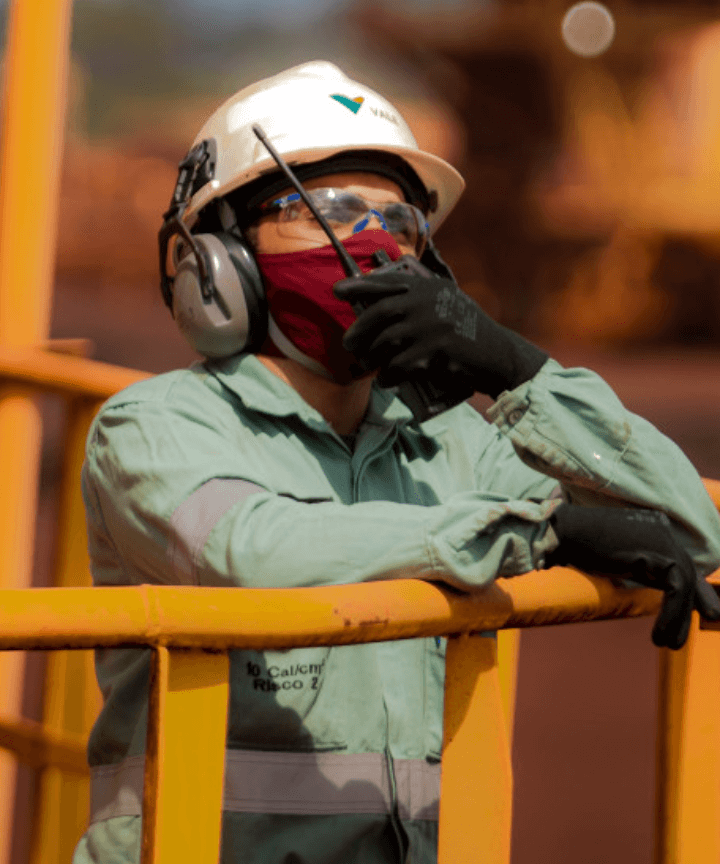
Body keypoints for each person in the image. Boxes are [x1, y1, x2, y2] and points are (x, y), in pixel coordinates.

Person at [74, 60, 720, 864]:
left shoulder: (450, 443)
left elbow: (691, 533)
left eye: (402, 224)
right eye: (333, 211)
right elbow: (252, 552)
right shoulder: (152, 427)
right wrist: (540, 534)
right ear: (219, 263)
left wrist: (517, 372)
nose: (374, 244)